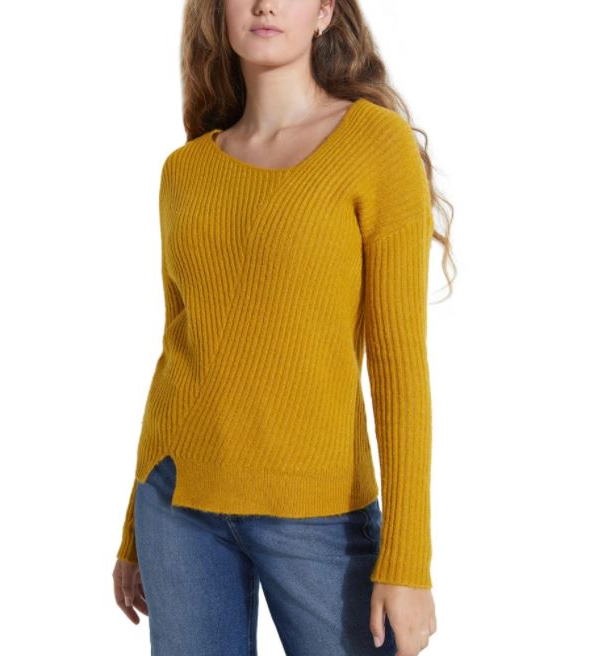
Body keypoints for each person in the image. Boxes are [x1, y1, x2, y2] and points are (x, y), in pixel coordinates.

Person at [112, 1, 455, 654]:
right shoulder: (185, 171)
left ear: (324, 12)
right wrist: (134, 527)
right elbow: (179, 350)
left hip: (321, 518)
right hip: (178, 508)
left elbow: (399, 365)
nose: (265, 4)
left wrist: (408, 562)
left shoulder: (374, 144)